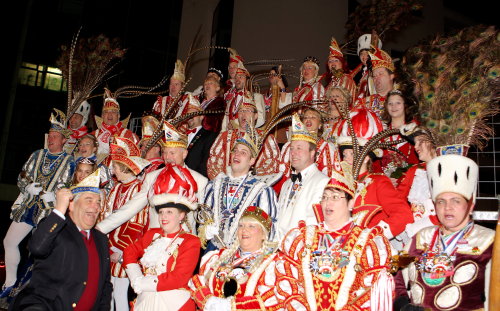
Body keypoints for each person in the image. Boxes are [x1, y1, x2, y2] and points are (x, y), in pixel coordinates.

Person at [280, 167, 395, 310]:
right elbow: (288, 280)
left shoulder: (367, 241)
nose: (328, 203)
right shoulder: (304, 238)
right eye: (325, 197)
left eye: (335, 197)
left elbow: (374, 289)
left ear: (351, 203)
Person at [394, 152, 495, 310]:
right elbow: (396, 273)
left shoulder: (489, 241)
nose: (448, 208)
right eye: (441, 201)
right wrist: (402, 304)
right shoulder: (420, 237)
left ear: (470, 205)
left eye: (456, 201)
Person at [9, 169, 112, 310]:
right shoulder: (56, 228)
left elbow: (105, 285)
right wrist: (59, 209)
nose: (95, 207)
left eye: (98, 202)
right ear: (71, 204)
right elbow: (37, 247)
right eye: (89, 200)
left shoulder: (101, 240)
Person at [2, 109, 75, 297]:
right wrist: (28, 188)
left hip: (49, 211)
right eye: (49, 136)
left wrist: (55, 195)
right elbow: (22, 176)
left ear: (63, 140)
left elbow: (69, 184)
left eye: (55, 136)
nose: (51, 139)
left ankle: (36, 289)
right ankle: (9, 283)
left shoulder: (69, 161)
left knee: (41, 252)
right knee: (9, 241)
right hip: (28, 207)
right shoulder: (37, 155)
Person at [96, 120, 207, 235]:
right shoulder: (152, 177)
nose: (167, 157)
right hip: (154, 241)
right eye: (165, 153)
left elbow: (205, 218)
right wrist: (100, 228)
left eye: (172, 153)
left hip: (184, 243)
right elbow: (131, 207)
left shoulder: (200, 181)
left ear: (184, 154)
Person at [190, 206, 309, 310]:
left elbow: (272, 301)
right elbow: (196, 283)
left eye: (251, 226)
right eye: (241, 225)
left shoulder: (273, 263)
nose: (244, 230)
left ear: (263, 234)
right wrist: (209, 301)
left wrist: (230, 307)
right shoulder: (219, 256)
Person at [122, 164, 200, 311]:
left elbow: (179, 278)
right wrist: (136, 278)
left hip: (175, 303)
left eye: (169, 212)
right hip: (145, 301)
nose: (163, 217)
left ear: (181, 215)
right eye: (161, 212)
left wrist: (144, 283)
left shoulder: (191, 241)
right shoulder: (152, 234)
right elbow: (129, 252)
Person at [201, 123, 279, 250]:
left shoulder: (262, 191)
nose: (237, 155)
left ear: (252, 161)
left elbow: (270, 228)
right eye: (235, 151)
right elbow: (203, 217)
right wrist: (205, 229)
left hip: (244, 252)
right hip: (213, 250)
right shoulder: (214, 185)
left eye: (243, 152)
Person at [101, 137, 150, 311]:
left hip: (124, 249)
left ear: (124, 167)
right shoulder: (116, 187)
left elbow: (138, 223)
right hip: (110, 247)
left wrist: (120, 249)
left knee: (121, 292)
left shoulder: (138, 188)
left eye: (115, 166)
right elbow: (106, 215)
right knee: (111, 291)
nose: (113, 170)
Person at [339, 134, 413, 240]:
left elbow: (403, 215)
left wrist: (375, 236)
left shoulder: (378, 181)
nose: (347, 159)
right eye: (344, 155)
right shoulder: (341, 185)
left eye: (352, 154)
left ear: (366, 159)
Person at [276, 113, 329, 240]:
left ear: (312, 153)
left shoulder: (322, 182)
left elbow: (315, 223)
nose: (293, 153)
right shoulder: (286, 184)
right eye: (292, 149)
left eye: (299, 148)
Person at [207, 96, 280, 179]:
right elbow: (214, 161)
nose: (243, 114)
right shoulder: (225, 136)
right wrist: (225, 180)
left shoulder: (266, 137)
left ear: (255, 116)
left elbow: (272, 164)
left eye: (248, 111)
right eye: (241, 111)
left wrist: (251, 178)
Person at [392, 126, 439, 250]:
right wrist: (402, 226)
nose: (415, 147)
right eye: (415, 142)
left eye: (420, 141)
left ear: (432, 141)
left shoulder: (446, 168)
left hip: (439, 232)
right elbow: (398, 201)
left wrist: (420, 226)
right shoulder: (414, 171)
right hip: (412, 234)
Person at [279, 107, 337, 183]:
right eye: (305, 117)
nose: (308, 119)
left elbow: (329, 176)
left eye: (313, 117)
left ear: (320, 124)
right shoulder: (289, 146)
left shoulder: (327, 147)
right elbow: (282, 174)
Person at [378, 88, 419, 179]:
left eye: (398, 103)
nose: (394, 107)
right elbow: (375, 163)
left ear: (405, 105)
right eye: (390, 103)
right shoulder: (381, 132)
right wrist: (385, 180)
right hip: (387, 185)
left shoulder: (415, 129)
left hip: (412, 181)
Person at [92, 88, 139, 160]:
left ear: (119, 115)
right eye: (106, 112)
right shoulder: (92, 136)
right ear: (102, 116)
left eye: (113, 112)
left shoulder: (129, 136)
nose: (109, 115)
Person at [222, 55, 266, 131]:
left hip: (248, 138)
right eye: (235, 77)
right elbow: (225, 122)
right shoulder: (231, 100)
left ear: (247, 79)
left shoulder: (256, 97)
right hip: (230, 138)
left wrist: (238, 126)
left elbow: (261, 119)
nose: (237, 79)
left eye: (241, 76)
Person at [354, 46, 395, 119]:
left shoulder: (402, 101)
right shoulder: (363, 104)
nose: (376, 78)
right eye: (374, 76)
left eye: (380, 74)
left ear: (391, 76)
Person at [183, 95, 218, 178]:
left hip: (197, 181)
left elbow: (206, 163)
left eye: (193, 114)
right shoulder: (181, 136)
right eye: (188, 115)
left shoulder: (209, 135)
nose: (190, 117)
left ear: (202, 117)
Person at [323, 37, 357, 102]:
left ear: (342, 64)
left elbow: (342, 102)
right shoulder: (330, 83)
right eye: (330, 61)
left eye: (336, 60)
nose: (332, 63)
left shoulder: (346, 79)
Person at [351, 32, 382, 99]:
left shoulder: (379, 70)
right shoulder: (360, 73)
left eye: (367, 53)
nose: (364, 56)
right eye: (362, 53)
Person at [137, 113, 165, 181]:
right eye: (142, 145)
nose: (142, 148)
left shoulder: (161, 168)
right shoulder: (142, 167)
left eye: (146, 145)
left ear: (157, 149)